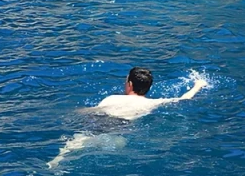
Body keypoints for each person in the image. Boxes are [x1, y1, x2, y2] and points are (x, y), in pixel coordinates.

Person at [47, 68, 208, 168]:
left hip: (100, 119)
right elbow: (184, 99)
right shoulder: (151, 103)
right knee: (118, 142)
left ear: (129, 84)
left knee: (77, 142)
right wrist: (198, 85)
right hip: (120, 126)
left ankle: (55, 161)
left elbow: (91, 111)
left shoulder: (112, 98)